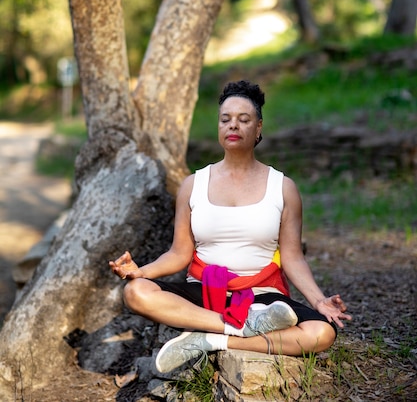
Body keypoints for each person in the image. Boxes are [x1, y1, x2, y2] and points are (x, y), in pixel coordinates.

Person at [109, 80, 351, 373]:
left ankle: (212, 340)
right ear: (219, 126)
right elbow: (178, 254)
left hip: (261, 296)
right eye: (226, 119)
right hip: (204, 293)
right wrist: (141, 272)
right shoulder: (193, 185)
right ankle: (240, 328)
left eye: (244, 120)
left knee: (321, 333)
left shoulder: (283, 188)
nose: (233, 126)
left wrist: (319, 300)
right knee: (136, 293)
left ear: (258, 127)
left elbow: (292, 257)